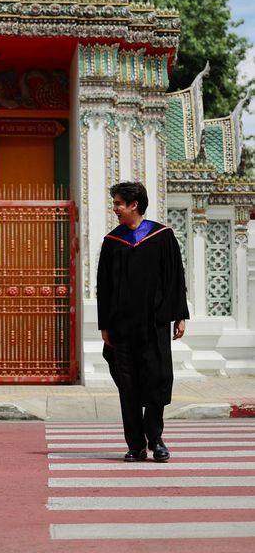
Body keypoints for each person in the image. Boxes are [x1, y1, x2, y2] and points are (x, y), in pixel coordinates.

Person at [97, 182, 189, 463]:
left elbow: (175, 278)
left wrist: (180, 315)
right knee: (129, 384)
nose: (115, 209)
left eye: (118, 204)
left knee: (157, 379)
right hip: (123, 327)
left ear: (134, 205)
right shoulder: (113, 241)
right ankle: (135, 444)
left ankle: (156, 437)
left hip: (154, 324)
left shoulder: (162, 236)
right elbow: (104, 286)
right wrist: (104, 325)